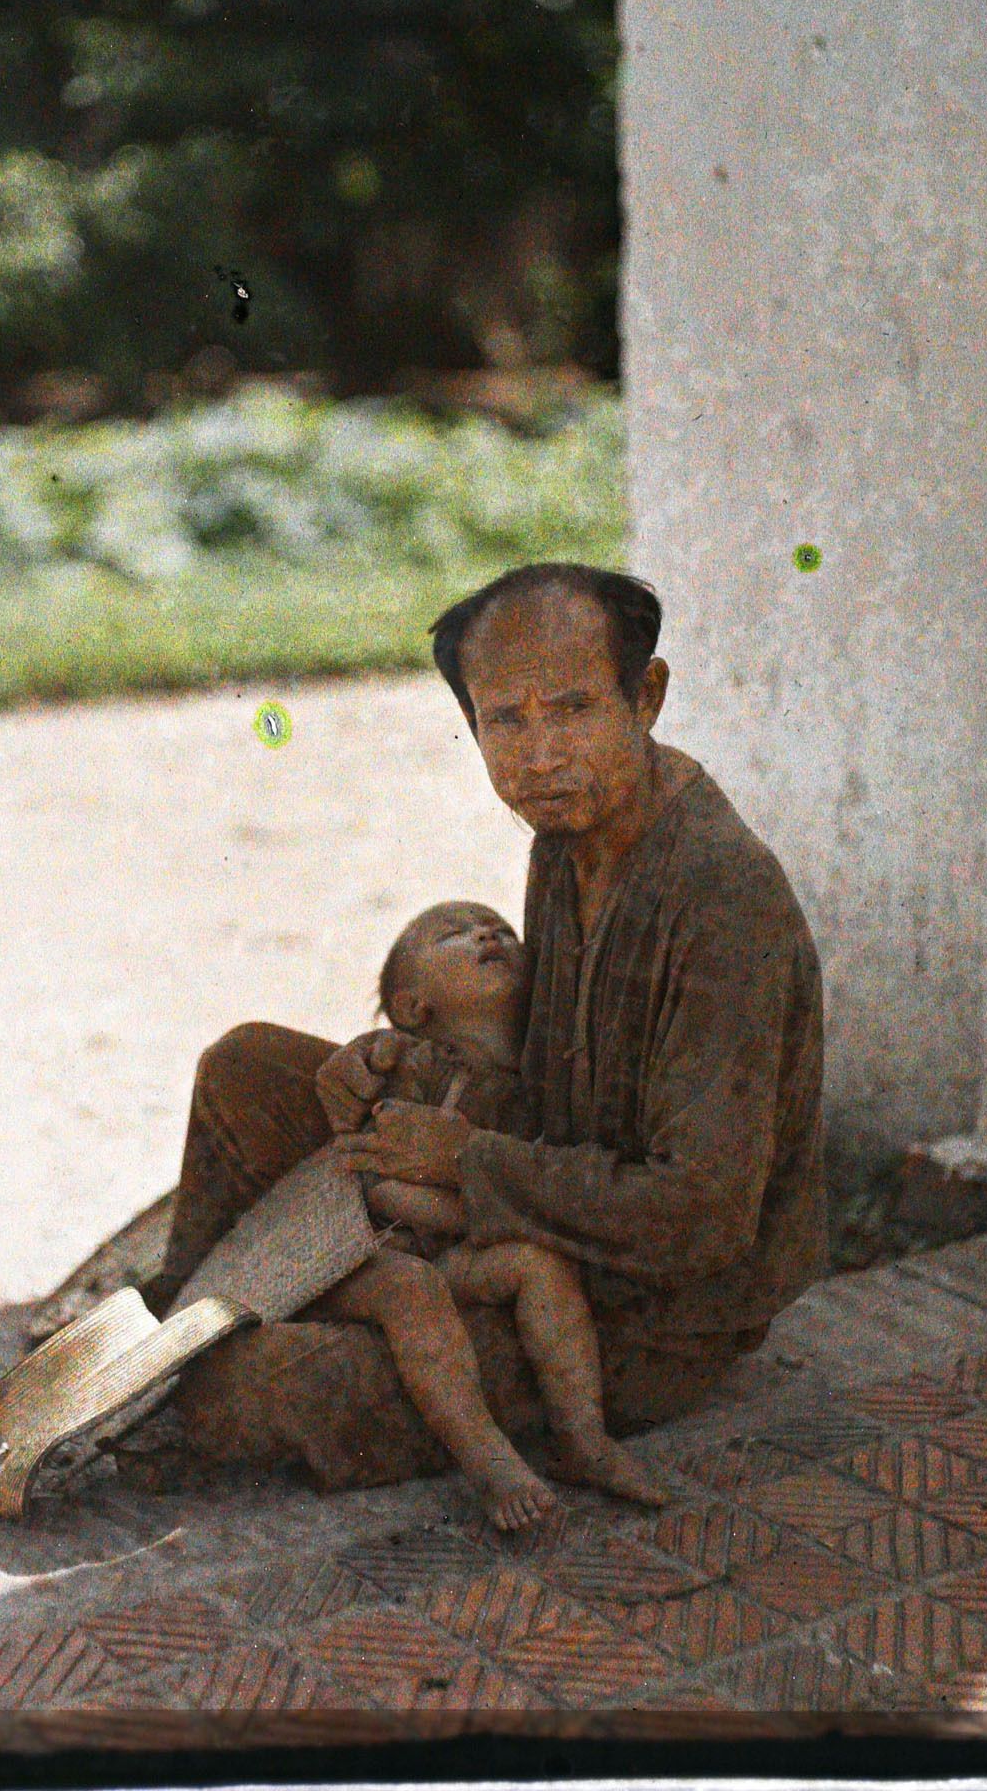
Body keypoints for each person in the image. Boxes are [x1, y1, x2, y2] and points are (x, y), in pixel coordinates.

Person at [152, 562, 828, 1494]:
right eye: (505, 720)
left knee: (275, 1382)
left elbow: (699, 1219)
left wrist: (464, 1162)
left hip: (645, 1310)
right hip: (536, 1195)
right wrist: (400, 1065)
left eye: (573, 709)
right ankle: (177, 1317)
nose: (539, 756)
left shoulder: (720, 897)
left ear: (646, 698)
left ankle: (213, 1346)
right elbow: (540, 1072)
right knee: (247, 1067)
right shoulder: (568, 834)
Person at [312, 900, 668, 1528]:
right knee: (411, 1289)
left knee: (538, 1264)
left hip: (452, 1247)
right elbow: (373, 1184)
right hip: (360, 1252)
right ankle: (491, 1465)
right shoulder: (410, 1065)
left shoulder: (539, 1085)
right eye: (456, 934)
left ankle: (582, 1438)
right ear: (414, 1006)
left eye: (502, 929)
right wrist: (478, 1211)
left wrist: (490, 1214)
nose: (487, 934)